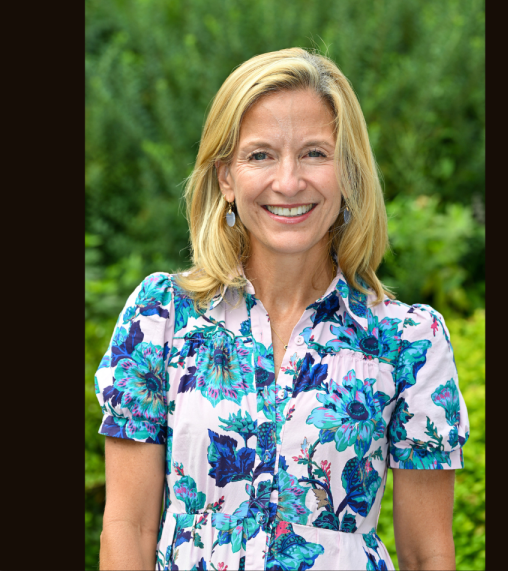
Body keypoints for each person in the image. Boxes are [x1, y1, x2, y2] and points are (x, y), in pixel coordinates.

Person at [95, 47, 469, 571]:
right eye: (260, 155)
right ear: (225, 177)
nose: (289, 182)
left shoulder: (409, 340)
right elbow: (127, 528)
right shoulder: (160, 318)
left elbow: (427, 554)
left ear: (349, 174)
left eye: (315, 153)